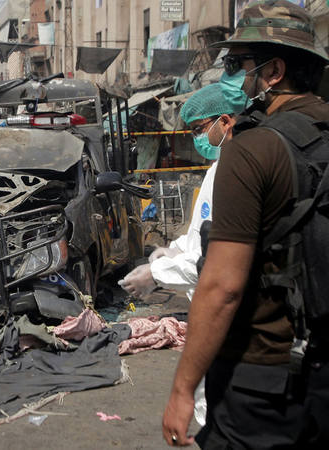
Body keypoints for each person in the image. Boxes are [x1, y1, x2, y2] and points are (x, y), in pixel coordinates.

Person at [162, 1, 329, 447]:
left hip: (263, 380)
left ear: (274, 71)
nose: (231, 76)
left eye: (238, 64)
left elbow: (223, 287)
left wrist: (182, 389)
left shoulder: (252, 150)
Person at [120, 83, 244, 426]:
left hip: (231, 318)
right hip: (207, 314)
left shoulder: (239, 173)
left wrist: (155, 275)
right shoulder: (215, 171)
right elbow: (198, 237)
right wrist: (170, 250)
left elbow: (217, 256)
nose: (195, 140)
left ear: (226, 122)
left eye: (199, 130)